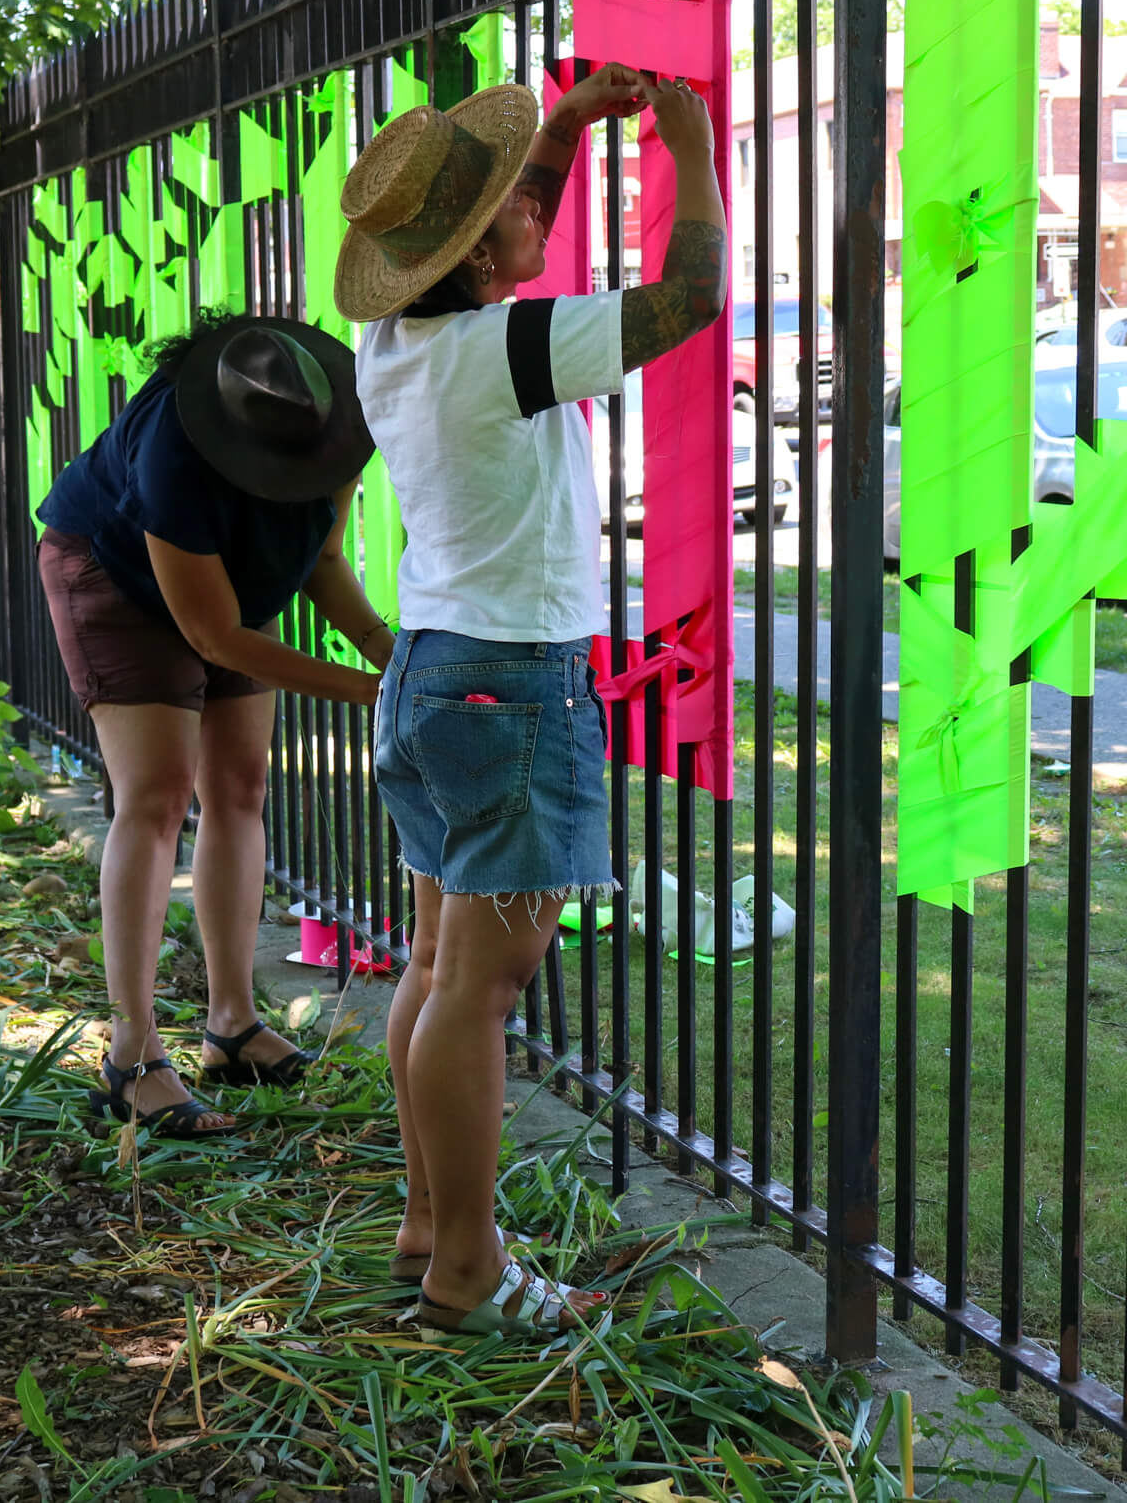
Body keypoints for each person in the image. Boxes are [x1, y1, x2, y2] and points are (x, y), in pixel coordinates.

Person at [336, 69, 728, 1335]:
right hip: (516, 688)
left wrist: (554, 134)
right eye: (515, 206)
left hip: (436, 676)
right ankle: (467, 1270)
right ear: (479, 247)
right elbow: (691, 299)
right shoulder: (511, 347)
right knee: (480, 991)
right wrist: (691, 144)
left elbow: (500, 249)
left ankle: (424, 1232)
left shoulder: (397, 342)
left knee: (440, 963)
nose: (532, 220)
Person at [35, 313, 386, 1139]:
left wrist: (383, 647)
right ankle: (133, 1057)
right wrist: (375, 691)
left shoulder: (337, 427)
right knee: (155, 795)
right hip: (114, 573)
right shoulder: (174, 452)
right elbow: (214, 636)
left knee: (240, 783)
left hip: (228, 589)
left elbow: (324, 559)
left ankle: (232, 1025)